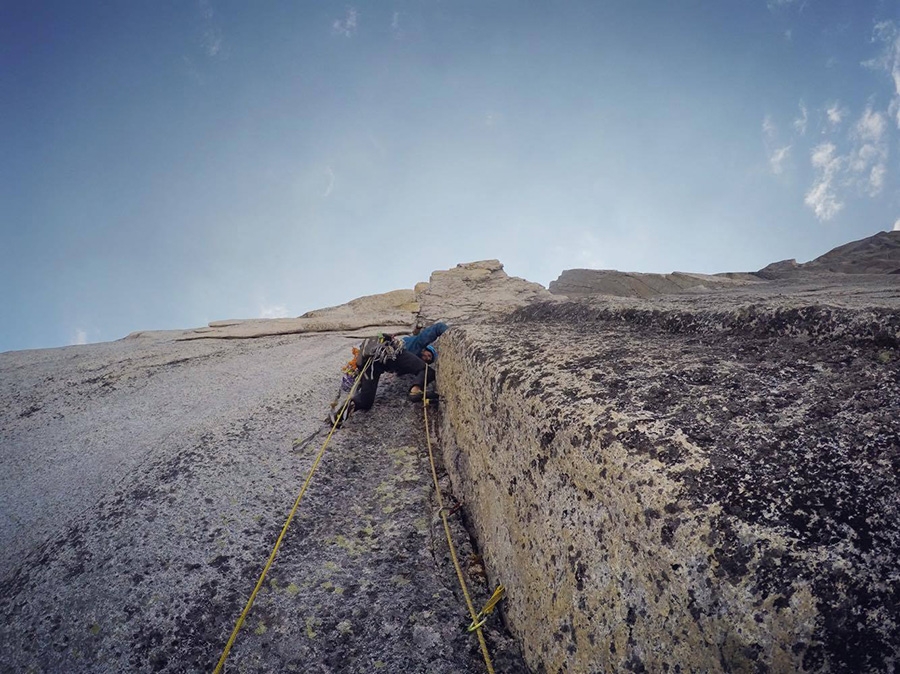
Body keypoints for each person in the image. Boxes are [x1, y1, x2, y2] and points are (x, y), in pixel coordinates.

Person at [331, 322, 447, 426]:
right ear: (424, 348)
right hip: (393, 353)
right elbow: (438, 327)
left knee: (366, 401)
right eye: (428, 354)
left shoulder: (409, 364)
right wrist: (452, 333)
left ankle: (340, 415)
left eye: (429, 359)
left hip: (373, 361)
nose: (426, 358)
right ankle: (415, 391)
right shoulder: (416, 344)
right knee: (429, 372)